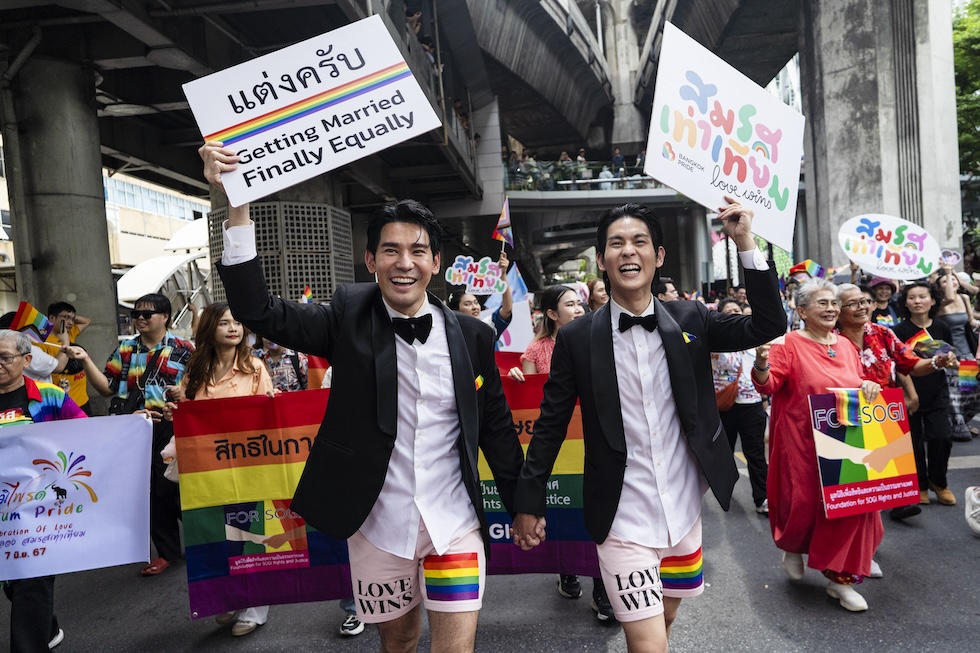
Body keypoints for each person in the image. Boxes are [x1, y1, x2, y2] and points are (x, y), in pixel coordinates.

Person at [201, 141, 525, 653]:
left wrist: (523, 504)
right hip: (377, 524)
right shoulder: (346, 317)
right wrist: (235, 202)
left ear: (435, 262)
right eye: (391, 251)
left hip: (455, 523)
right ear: (370, 259)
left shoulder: (472, 335)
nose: (405, 263)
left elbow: (497, 429)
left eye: (418, 251)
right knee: (398, 643)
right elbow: (257, 309)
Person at [512, 199, 784, 652]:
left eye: (639, 241)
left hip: (683, 510)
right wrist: (528, 499)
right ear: (601, 259)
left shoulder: (691, 319)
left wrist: (745, 243)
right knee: (648, 641)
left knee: (666, 617)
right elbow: (552, 422)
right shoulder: (579, 338)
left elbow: (769, 323)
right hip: (621, 514)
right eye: (616, 243)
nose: (628, 251)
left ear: (658, 256)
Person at [752, 279, 884, 612]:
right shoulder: (788, 343)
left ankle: (840, 580)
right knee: (804, 505)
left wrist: (869, 385)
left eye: (833, 303)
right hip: (801, 441)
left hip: (847, 441)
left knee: (852, 508)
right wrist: (761, 363)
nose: (831, 309)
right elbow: (768, 387)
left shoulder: (845, 346)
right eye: (822, 303)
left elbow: (857, 384)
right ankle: (793, 546)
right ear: (801, 311)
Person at [162, 303, 274, 636]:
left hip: (246, 466)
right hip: (206, 468)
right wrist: (175, 410)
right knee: (215, 535)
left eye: (238, 322)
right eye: (224, 322)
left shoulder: (254, 367)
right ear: (210, 328)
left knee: (248, 534)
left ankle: (254, 609)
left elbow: (266, 414)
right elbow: (188, 410)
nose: (233, 328)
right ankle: (229, 597)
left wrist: (271, 403)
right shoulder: (195, 369)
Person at [506, 287, 613, 620]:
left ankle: (602, 588)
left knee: (597, 509)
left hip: (592, 442)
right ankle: (567, 567)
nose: (579, 309)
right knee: (563, 510)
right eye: (570, 305)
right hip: (556, 444)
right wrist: (516, 378)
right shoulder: (536, 349)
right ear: (552, 314)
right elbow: (529, 391)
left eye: (579, 303)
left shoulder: (600, 339)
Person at [70, 293, 193, 577]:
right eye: (136, 314)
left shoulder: (184, 349)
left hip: (173, 424)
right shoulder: (125, 350)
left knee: (170, 486)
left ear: (165, 317)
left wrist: (184, 394)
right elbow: (107, 388)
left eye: (147, 314)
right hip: (135, 427)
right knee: (148, 490)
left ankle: (202, 533)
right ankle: (167, 552)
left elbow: (200, 386)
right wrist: (86, 359)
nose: (140, 318)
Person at [835, 283, 958, 520]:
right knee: (856, 474)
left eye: (863, 301)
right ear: (838, 310)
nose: (861, 307)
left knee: (889, 462)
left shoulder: (883, 333)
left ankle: (900, 501)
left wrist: (936, 362)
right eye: (853, 304)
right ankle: (857, 526)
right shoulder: (831, 340)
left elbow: (909, 363)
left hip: (884, 410)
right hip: (848, 410)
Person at [0, 329, 87, 652]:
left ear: (26, 360)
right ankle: (46, 627)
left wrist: (132, 424)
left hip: (40, 508)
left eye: (5, 358)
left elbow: (85, 432)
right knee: (13, 582)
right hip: (1, 509)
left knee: (31, 578)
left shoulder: (50, 396)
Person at [893, 281, 960, 506]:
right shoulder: (899, 331)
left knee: (942, 436)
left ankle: (939, 483)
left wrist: (952, 363)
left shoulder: (942, 328)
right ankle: (919, 485)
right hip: (908, 393)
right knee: (912, 442)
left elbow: (952, 361)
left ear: (932, 301)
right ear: (905, 303)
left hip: (937, 392)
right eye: (912, 297)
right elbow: (900, 368)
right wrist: (911, 394)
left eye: (922, 297)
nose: (917, 301)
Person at [710, 299, 769, 515]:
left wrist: (765, 401)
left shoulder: (759, 341)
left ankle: (762, 498)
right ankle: (724, 490)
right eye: (729, 311)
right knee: (724, 453)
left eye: (738, 311)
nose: (735, 314)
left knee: (755, 454)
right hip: (724, 406)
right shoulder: (714, 341)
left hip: (752, 405)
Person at [935, 265, 980, 441]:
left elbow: (971, 322)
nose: (950, 281)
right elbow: (949, 297)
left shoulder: (964, 297)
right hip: (947, 353)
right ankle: (957, 426)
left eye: (953, 279)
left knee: (970, 393)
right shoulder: (939, 303)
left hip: (966, 353)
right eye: (946, 280)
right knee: (953, 394)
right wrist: (947, 271)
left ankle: (964, 421)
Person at [447, 252, 514, 341]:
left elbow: (507, 310)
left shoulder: (488, 327)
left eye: (476, 302)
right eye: (467, 304)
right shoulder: (448, 334)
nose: (475, 307)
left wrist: (503, 274)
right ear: (456, 310)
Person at [43, 302, 92, 414]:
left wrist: (69, 316)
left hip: (82, 400)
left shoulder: (70, 333)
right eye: (66, 318)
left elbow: (87, 321)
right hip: (61, 402)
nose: (70, 322)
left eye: (72, 319)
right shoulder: (42, 342)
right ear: (51, 318)